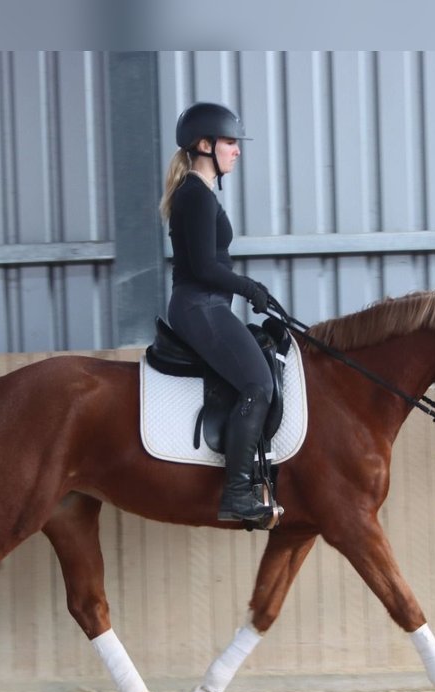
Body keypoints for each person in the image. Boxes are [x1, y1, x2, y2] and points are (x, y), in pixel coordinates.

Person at [160, 101, 275, 525]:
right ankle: (238, 493)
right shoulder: (195, 195)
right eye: (230, 142)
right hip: (199, 306)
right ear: (204, 145)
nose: (237, 150)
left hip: (207, 304)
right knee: (258, 384)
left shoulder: (197, 194)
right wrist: (251, 288)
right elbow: (207, 268)